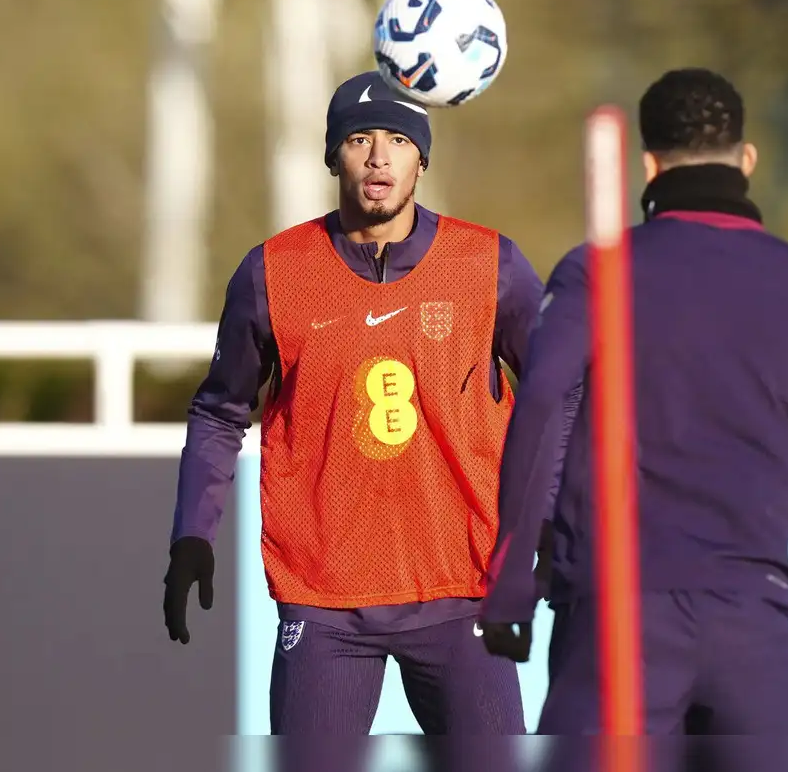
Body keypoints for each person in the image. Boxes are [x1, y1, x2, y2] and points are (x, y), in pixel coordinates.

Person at [479, 67, 788, 770]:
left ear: (649, 165)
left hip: (618, 621)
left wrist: (512, 578)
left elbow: (540, 402)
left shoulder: (596, 272)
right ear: (747, 160)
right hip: (755, 625)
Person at [161, 71, 560, 759]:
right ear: (332, 156)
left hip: (463, 590)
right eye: (359, 139)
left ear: (422, 158)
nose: (379, 157)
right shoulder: (273, 271)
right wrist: (192, 535)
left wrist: (554, 517)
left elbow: (560, 394)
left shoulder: (488, 263)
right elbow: (220, 411)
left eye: (398, 140)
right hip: (325, 602)